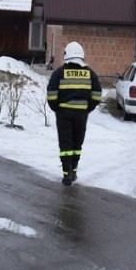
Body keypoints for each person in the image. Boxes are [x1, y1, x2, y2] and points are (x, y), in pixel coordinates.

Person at [47, 41, 102, 186]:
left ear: (67, 55)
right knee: (77, 143)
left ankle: (66, 175)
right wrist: (86, 108)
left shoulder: (58, 73)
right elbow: (97, 95)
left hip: (63, 114)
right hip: (81, 115)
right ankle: (74, 171)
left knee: (66, 143)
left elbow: (51, 94)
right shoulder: (90, 74)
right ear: (81, 55)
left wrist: (57, 108)